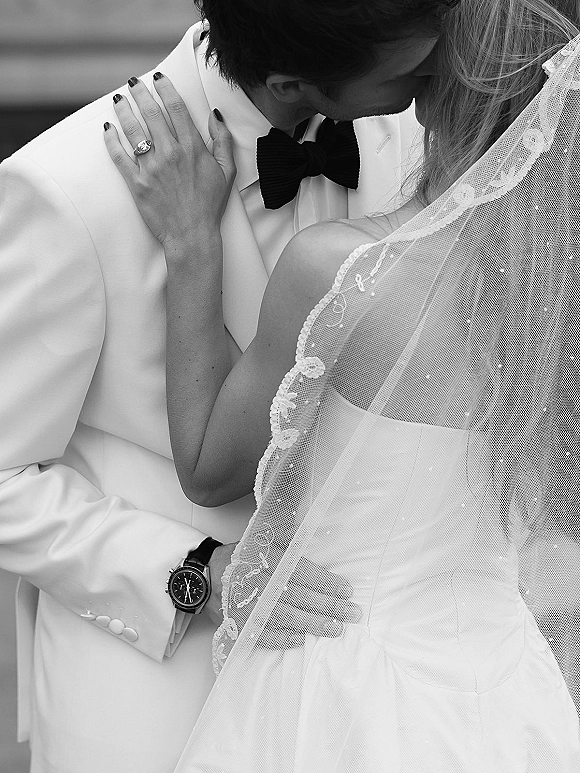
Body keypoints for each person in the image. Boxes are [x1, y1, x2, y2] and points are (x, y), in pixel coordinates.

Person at [106, 0, 580, 769]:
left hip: (342, 680)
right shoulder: (556, 300)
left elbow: (207, 465)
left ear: (436, 91)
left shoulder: (343, 270)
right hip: (503, 694)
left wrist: (193, 244)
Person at [0, 2, 455, 772]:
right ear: (290, 82)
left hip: (369, 682)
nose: (436, 75)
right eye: (409, 69)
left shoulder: (419, 142)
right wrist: (195, 572)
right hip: (156, 695)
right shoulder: (67, 188)